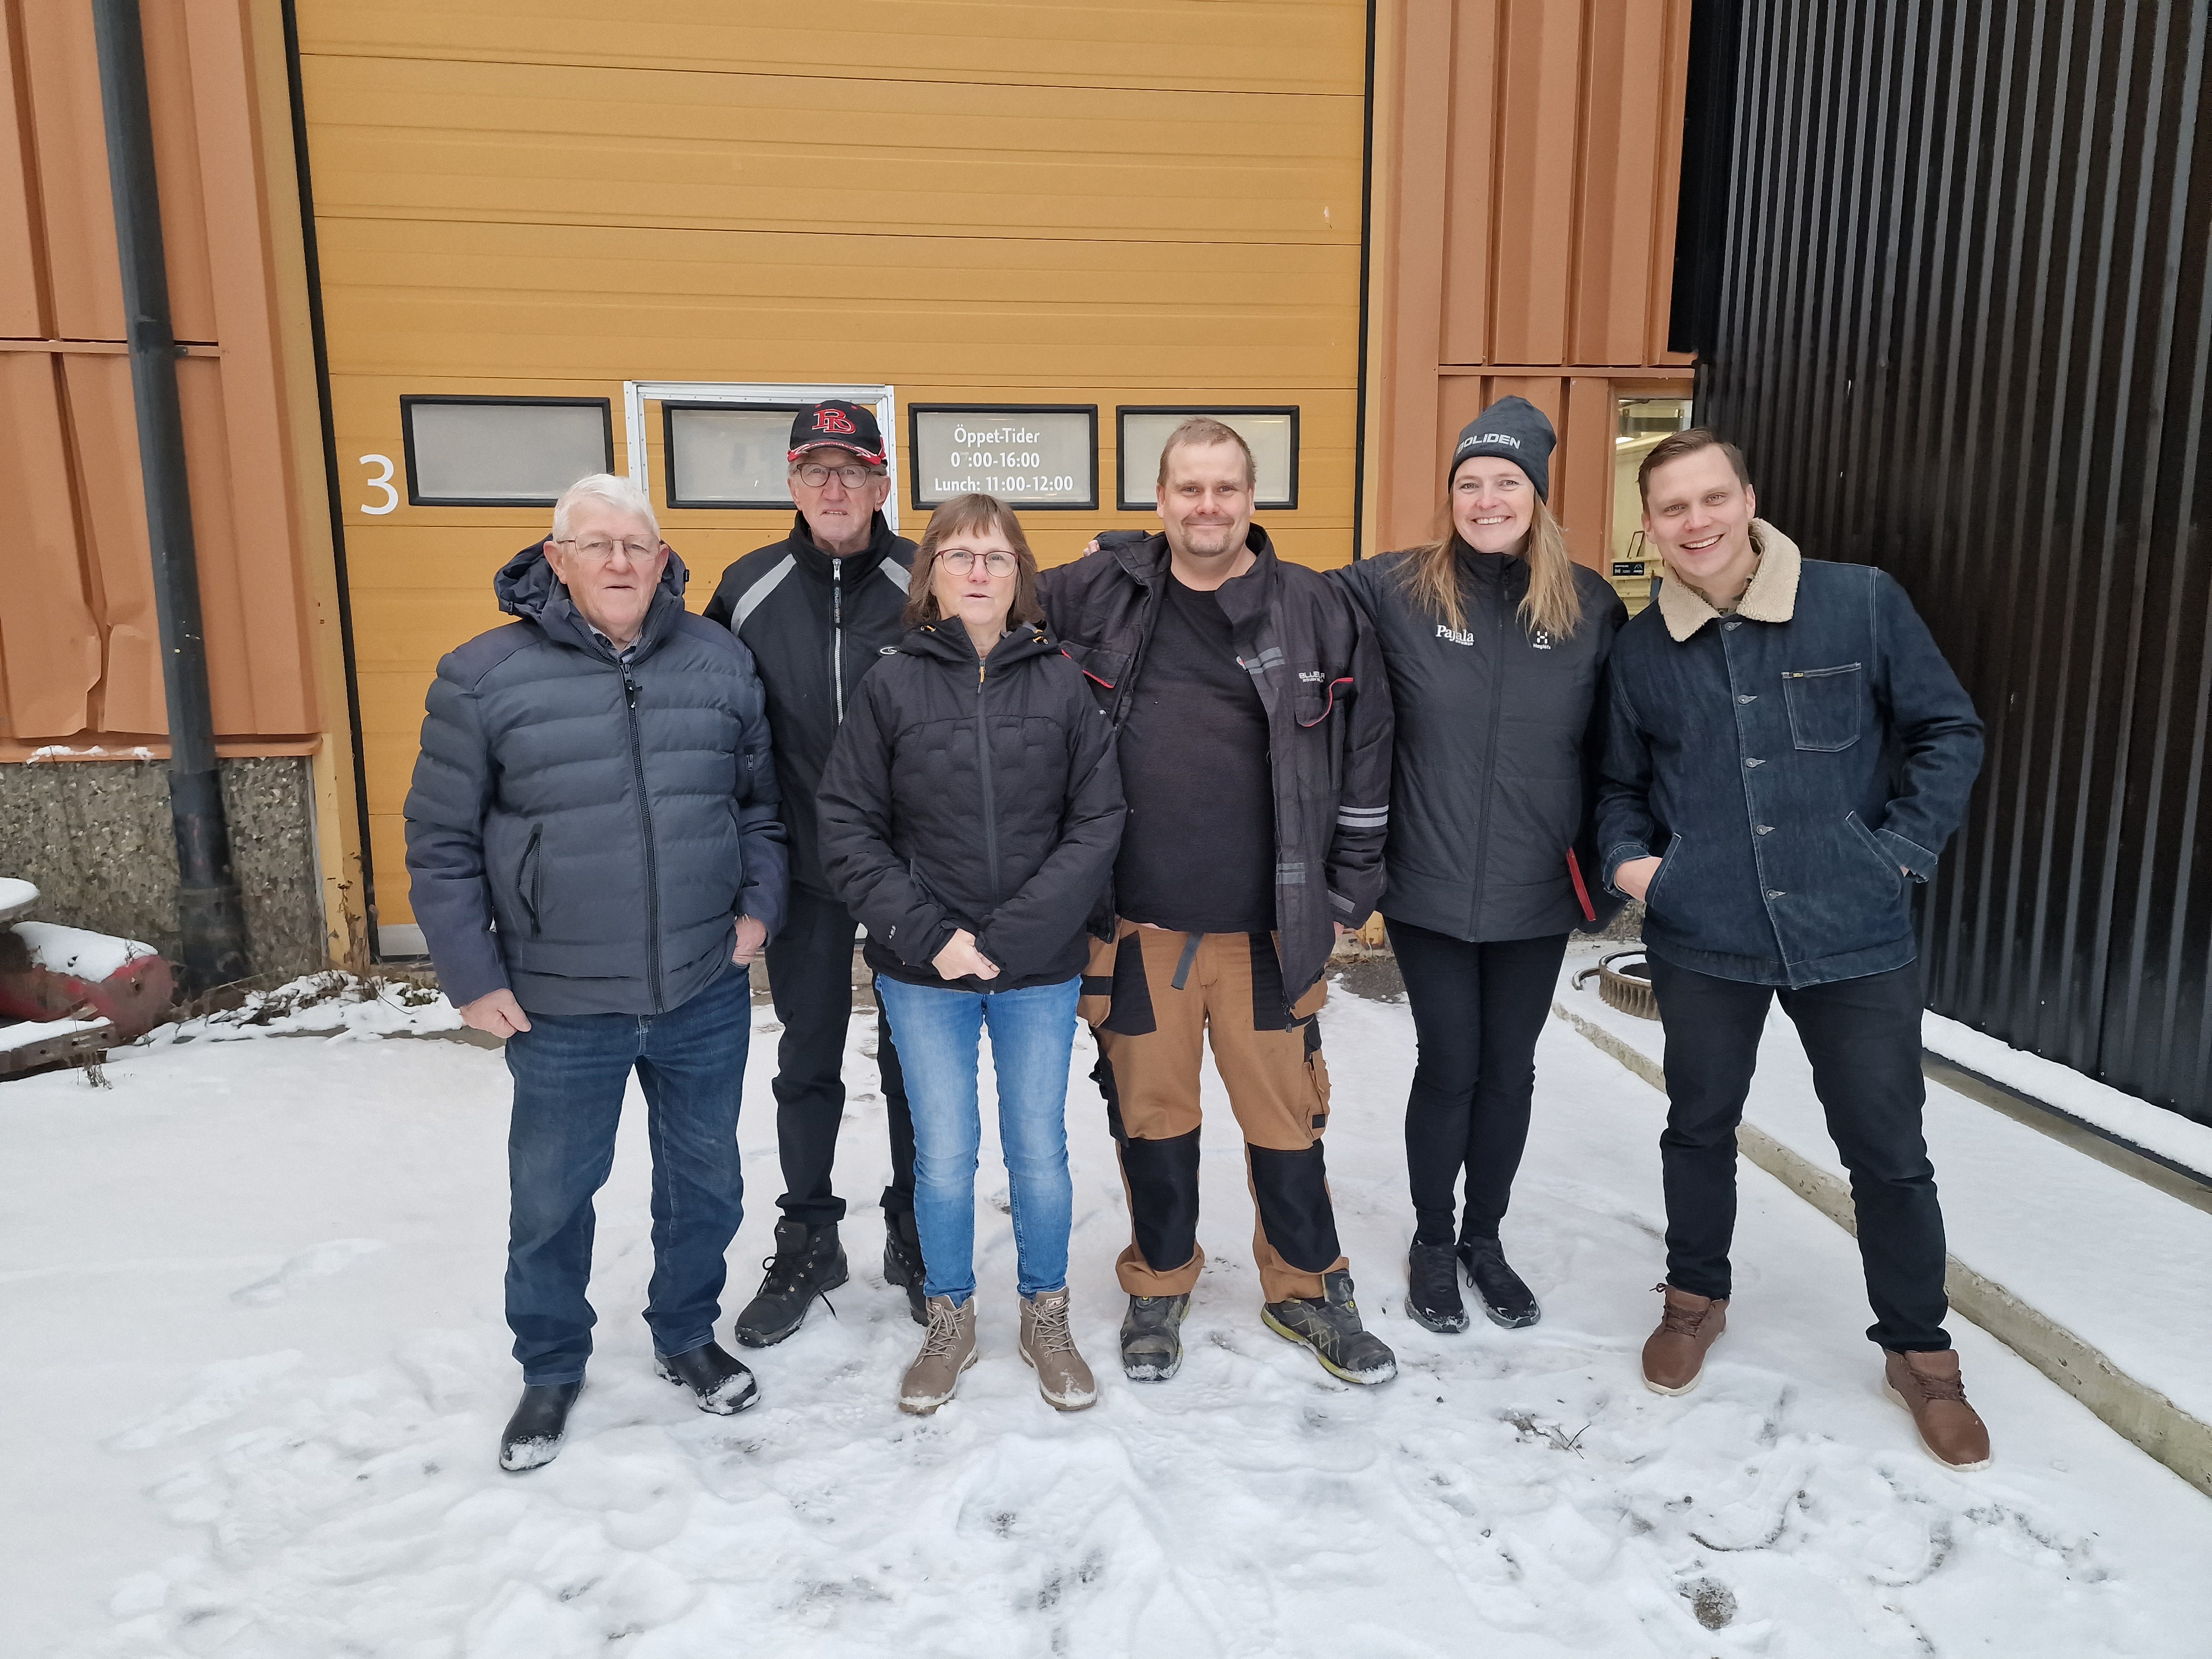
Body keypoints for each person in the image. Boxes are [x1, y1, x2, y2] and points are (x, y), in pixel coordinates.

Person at [1595, 429, 1991, 1470]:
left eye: (1712, 499)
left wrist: (1897, 853)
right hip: (1705, 931)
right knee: (1699, 1125)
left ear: (1747, 498)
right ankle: (1694, 1298)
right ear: (1652, 529)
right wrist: (1639, 867)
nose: (1698, 523)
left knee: (1887, 1150)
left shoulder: (1858, 601)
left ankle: (1919, 1349)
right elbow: (1618, 790)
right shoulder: (1641, 651)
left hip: (1853, 931)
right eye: (1674, 509)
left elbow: (1950, 731)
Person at [403, 473, 786, 1472]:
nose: (620, 562)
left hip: (702, 984)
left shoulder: (719, 660)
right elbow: (440, 841)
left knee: (706, 1182)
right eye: (598, 544)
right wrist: (470, 972)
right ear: (557, 557)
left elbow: (759, 808)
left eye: (637, 545)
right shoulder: (484, 676)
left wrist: (757, 915)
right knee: (552, 1194)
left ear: (664, 561)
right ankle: (549, 1363)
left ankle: (685, 1332)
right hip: (559, 1001)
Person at [1040, 417, 1398, 1386]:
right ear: (1159, 501)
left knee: (1288, 1124)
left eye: (1226, 490)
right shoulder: (1089, 596)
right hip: (1137, 928)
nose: (1208, 507)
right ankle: (1159, 1280)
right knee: (1151, 1120)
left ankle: (1306, 1288)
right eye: (1189, 490)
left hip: (1273, 932)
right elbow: (974, 605)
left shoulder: (1317, 610)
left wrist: (1345, 894)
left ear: (1253, 499)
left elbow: (1366, 757)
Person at [817, 494, 1123, 1414]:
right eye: (959, 556)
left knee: (1038, 1151)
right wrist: (934, 937)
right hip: (925, 972)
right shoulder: (891, 685)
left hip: (1038, 968)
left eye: (995, 556)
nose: (979, 572)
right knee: (944, 1156)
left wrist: (1018, 935)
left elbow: (1098, 819)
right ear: (932, 576)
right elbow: (848, 825)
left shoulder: (1062, 681)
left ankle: (1046, 1313)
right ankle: (949, 1317)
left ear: (1020, 572)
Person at [1333, 398, 1626, 1335]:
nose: (1487, 498)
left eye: (1507, 483)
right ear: (1450, 495)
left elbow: (1626, 742)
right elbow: (1275, 596)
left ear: (1537, 496)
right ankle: (1431, 1239)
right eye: (1470, 483)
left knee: (1511, 1071)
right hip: (1426, 880)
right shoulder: (1396, 588)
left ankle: (1485, 1241)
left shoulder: (1590, 606)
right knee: (1450, 1063)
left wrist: (1614, 860)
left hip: (1538, 887)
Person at [701, 400, 923, 1344]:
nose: (835, 488)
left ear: (882, 483)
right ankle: (810, 1234)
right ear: (793, 483)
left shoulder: (929, 578)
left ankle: (916, 1230)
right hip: (802, 868)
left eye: (853, 469)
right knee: (809, 1055)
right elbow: (706, 726)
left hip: (917, 870)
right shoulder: (747, 588)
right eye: (815, 470)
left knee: (917, 1062)